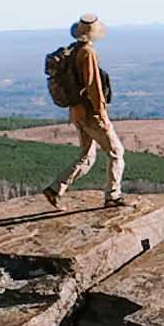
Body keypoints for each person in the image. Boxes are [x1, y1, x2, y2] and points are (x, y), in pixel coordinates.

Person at [44, 14, 124, 208]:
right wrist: (101, 113)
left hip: (77, 112)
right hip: (90, 113)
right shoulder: (87, 52)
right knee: (116, 152)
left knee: (87, 155)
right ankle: (113, 196)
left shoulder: (72, 51)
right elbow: (93, 85)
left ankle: (56, 189)